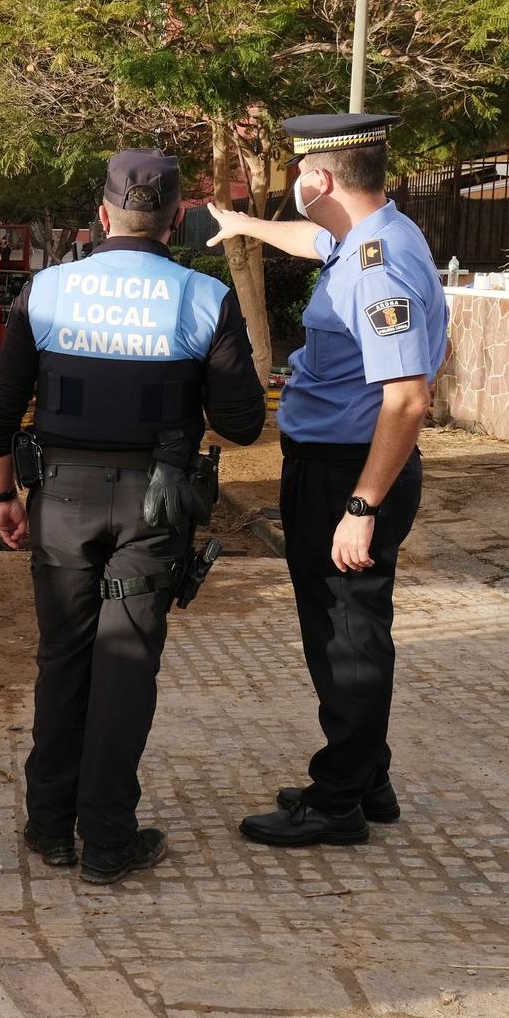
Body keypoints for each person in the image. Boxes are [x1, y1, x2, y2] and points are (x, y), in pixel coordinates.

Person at [0, 149, 266, 884]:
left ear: (102, 215)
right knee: (126, 664)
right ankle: (107, 838)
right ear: (176, 220)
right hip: (154, 502)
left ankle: (50, 826)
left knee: (64, 657)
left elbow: (3, 403)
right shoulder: (201, 299)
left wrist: (1, 494)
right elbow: (241, 423)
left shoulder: (46, 290)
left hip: (59, 502)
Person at [206, 112, 448, 848]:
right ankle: (365, 775)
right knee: (346, 627)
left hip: (351, 472)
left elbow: (409, 398)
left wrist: (360, 505)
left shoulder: (380, 266)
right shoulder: (370, 236)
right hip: (336, 464)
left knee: (347, 636)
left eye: (299, 173)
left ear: (319, 178)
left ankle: (339, 796)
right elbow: (315, 240)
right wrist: (244, 222)